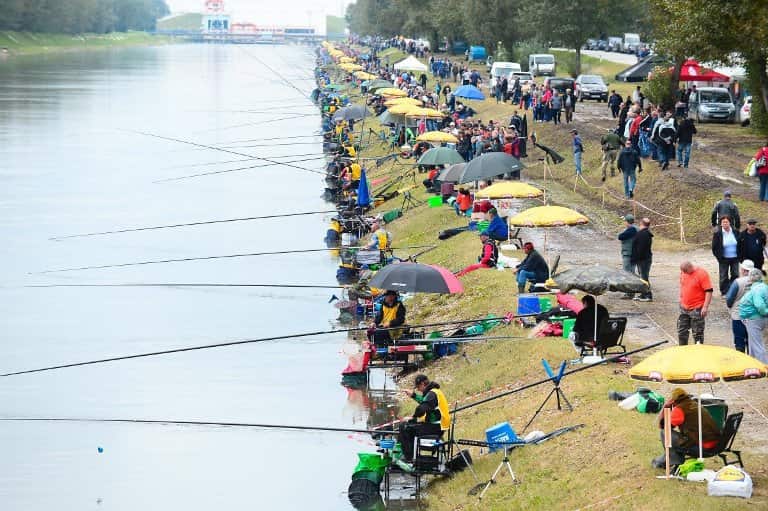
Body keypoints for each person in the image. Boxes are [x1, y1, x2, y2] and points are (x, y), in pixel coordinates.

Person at [651, 388, 721, 469]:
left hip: (702, 446)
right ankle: (663, 460)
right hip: (715, 444)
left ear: (673, 400)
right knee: (678, 439)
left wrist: (666, 407)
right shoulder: (695, 404)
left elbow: (664, 426)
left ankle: (674, 461)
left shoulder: (680, 409)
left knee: (665, 432)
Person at [398, 374, 451, 462]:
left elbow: (422, 408)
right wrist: (413, 395)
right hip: (438, 425)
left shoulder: (432, 394)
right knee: (410, 425)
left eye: (418, 387)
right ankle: (411, 454)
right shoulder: (434, 392)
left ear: (423, 384)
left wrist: (412, 417)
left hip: (437, 427)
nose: (418, 390)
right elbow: (424, 401)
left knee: (405, 427)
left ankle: (408, 458)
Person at [677, 261, 713, 345]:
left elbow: (709, 291)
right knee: (681, 331)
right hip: (684, 307)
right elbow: (683, 285)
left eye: (685, 271)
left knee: (697, 333)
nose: (684, 273)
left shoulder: (702, 274)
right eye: (683, 271)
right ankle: (682, 349)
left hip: (697, 308)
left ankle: (698, 350)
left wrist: (705, 307)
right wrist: (681, 299)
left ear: (690, 267)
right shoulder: (683, 272)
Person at [725, 259, 756, 353]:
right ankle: (751, 360)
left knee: (739, 341)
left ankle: (741, 359)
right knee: (751, 342)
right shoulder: (758, 282)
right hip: (753, 316)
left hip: (738, 315)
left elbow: (729, 299)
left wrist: (730, 307)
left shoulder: (737, 282)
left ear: (744, 270)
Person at [738, 268, 768, 362]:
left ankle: (764, 365)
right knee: (753, 343)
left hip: (754, 319)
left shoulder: (756, 290)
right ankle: (753, 363)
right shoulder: (763, 286)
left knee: (757, 345)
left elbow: (760, 305)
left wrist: (765, 312)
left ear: (750, 278)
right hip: (756, 318)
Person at [712, 216, 741, 295]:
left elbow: (741, 243)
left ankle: (733, 291)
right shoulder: (718, 234)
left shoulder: (736, 232)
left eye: (726, 222)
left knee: (735, 274)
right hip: (723, 259)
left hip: (735, 258)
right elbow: (714, 248)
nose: (725, 223)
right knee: (723, 276)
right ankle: (724, 292)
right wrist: (719, 258)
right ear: (721, 224)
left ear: (730, 223)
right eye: (723, 222)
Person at [631, 218, 653, 301]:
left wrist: (636, 258)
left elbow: (641, 248)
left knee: (644, 278)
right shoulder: (645, 233)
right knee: (642, 278)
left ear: (641, 223)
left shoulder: (643, 234)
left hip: (643, 260)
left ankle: (648, 295)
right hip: (644, 259)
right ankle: (643, 294)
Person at [618, 214, 638, 298]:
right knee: (632, 273)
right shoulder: (636, 228)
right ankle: (632, 291)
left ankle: (629, 293)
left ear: (627, 221)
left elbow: (620, 236)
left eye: (625, 221)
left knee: (627, 273)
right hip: (633, 253)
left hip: (628, 254)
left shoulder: (631, 229)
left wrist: (623, 231)